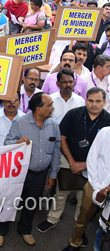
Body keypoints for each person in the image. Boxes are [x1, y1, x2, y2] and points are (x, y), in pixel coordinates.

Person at [37, 87, 110, 238]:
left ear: (105, 102)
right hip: (68, 159)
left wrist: (85, 165)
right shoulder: (74, 114)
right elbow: (62, 137)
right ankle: (52, 219)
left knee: (84, 199)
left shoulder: (107, 120)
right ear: (86, 100)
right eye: (90, 100)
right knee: (61, 192)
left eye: (98, 101)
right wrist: (71, 161)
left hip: (94, 167)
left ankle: (79, 228)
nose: (94, 104)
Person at [0, 92, 60, 247]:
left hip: (41, 175)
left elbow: (56, 150)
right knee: (9, 202)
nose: (52, 108)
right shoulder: (20, 122)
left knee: (31, 204)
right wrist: (17, 142)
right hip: (20, 174)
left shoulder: (54, 125)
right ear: (38, 109)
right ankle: (0, 230)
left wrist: (53, 175)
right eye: (49, 105)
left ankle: (25, 229)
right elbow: (7, 142)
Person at [60, 110, 110, 251]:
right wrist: (95, 184)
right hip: (95, 183)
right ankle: (74, 242)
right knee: (83, 219)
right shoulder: (105, 132)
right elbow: (92, 157)